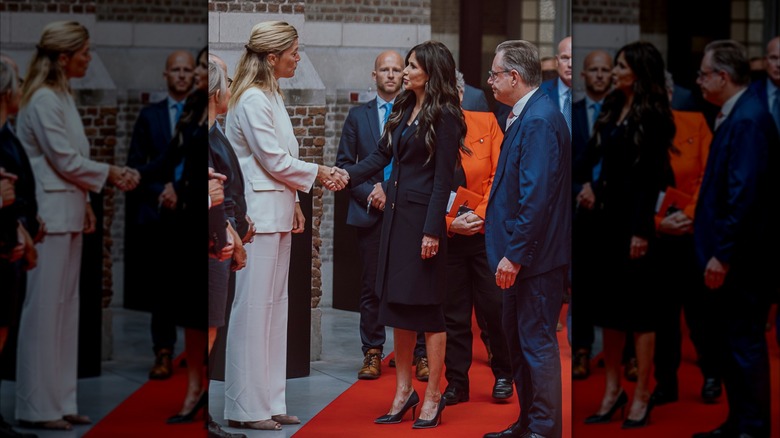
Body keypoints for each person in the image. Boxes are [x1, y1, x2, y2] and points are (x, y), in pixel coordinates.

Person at [14, 21, 139, 431]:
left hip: (69, 210)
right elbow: (64, 160)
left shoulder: (61, 95)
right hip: (47, 215)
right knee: (42, 314)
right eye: (85, 52)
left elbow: (68, 161)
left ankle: (61, 400)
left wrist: (86, 201)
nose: (89, 58)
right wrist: (113, 173)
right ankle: (36, 406)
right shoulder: (42, 99)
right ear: (64, 57)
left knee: (65, 313)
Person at [223, 21, 347, 431]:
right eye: (294, 51)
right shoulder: (252, 98)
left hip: (277, 212)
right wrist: (321, 172)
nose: (299, 57)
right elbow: (274, 160)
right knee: (252, 313)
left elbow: (276, 161)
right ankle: (245, 406)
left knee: (275, 311)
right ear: (273, 56)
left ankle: (271, 400)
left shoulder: (271, 94)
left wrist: (294, 200)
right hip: (255, 217)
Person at [341, 40, 465, 429]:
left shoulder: (446, 115)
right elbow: (381, 156)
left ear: (430, 71)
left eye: (411, 65)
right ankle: (403, 391)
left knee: (427, 310)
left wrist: (433, 231)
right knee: (397, 307)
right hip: (394, 222)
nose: (405, 72)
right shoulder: (403, 107)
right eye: (405, 65)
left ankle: (432, 397)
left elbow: (444, 179)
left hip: (422, 225)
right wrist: (345, 175)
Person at [576, 41, 675, 429]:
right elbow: (594, 159)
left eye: (620, 65)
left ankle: (642, 394)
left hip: (635, 225)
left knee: (641, 313)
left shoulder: (654, 113)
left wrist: (641, 230)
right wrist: (586, 183)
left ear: (638, 69)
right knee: (610, 312)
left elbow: (649, 179)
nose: (614, 71)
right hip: (604, 222)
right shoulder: (615, 104)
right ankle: (613, 389)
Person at [482, 39, 571, 438]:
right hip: (525, 255)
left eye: (494, 73)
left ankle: (544, 430)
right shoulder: (529, 112)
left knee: (536, 345)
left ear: (513, 77)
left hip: (534, 259)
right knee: (519, 344)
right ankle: (528, 423)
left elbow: (535, 196)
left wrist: (514, 255)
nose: (489, 80)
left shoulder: (537, 119)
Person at [691, 39, 778, 438]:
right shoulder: (740, 111)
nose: (699, 80)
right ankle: (740, 421)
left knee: (744, 344)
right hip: (736, 254)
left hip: (742, 258)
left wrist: (721, 255)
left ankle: (753, 428)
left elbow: (742, 195)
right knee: (732, 342)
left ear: (722, 77)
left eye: (704, 73)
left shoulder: (745, 118)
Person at [441, 69, 512, 407]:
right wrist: (448, 222)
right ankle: (457, 382)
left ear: (460, 93)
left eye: (451, 91)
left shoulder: (486, 122)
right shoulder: (426, 132)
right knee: (454, 314)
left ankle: (504, 372)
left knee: (494, 308)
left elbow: (500, 175)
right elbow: (422, 188)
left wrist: (480, 214)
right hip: (450, 235)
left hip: (485, 234)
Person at [651, 71, 722, 407]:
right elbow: (631, 189)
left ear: (669, 93)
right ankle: (666, 383)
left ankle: (712, 373)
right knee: (663, 315)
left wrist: (689, 214)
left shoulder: (695, 122)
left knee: (700, 312)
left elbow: (710, 176)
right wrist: (658, 222)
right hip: (658, 237)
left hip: (694, 234)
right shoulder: (638, 133)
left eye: (660, 92)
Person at [126, 49, 195, 381]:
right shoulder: (149, 116)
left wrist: (183, 191)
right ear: (166, 75)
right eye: (176, 70)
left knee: (194, 284)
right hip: (161, 211)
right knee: (164, 285)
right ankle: (163, 351)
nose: (181, 75)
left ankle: (198, 356)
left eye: (187, 70)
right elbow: (137, 165)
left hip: (193, 208)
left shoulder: (200, 116)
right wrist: (162, 192)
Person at [335, 49, 404, 381]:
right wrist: (372, 195)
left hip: (407, 211)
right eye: (384, 69)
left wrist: (390, 190)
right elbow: (346, 165)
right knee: (372, 286)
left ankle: (415, 353)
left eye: (396, 69)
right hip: (369, 212)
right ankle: (373, 352)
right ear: (374, 75)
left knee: (409, 283)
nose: (390, 75)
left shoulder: (413, 113)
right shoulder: (357, 117)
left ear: (404, 75)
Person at [206, 55, 248, 438]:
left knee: (213, 326)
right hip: (212, 241)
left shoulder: (216, 131)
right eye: (227, 82)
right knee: (208, 329)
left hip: (223, 237)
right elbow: (216, 196)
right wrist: (232, 239)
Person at [0, 55, 39, 438]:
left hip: (10, 246)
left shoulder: (8, 132)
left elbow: (21, 188)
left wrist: (25, 229)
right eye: (18, 82)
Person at [571, 49, 612, 381]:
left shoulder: (622, 113)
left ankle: (625, 355)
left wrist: (600, 188)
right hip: (581, 208)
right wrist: (582, 190)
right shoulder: (572, 113)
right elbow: (564, 166)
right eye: (593, 70)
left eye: (605, 70)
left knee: (619, 283)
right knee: (582, 284)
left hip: (617, 208)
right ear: (583, 76)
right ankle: (582, 350)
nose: (599, 75)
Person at [539, 36, 572, 133]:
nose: (570, 64)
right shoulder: (540, 93)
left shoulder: (591, 92)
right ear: (557, 61)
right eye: (565, 58)